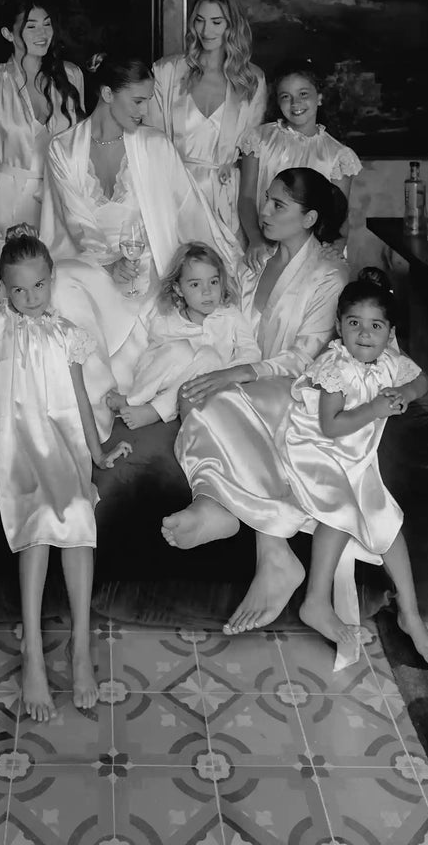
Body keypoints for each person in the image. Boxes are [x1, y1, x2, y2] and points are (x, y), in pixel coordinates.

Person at [162, 168, 349, 634]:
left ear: (309, 217)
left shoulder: (328, 273)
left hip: (293, 388)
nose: (262, 212)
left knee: (219, 397)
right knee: (197, 396)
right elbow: (216, 313)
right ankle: (221, 507)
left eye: (277, 205)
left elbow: (306, 355)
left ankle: (268, 547)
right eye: (265, 200)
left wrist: (238, 372)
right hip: (240, 381)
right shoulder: (253, 261)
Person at [0, 225, 132, 721]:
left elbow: (79, 399)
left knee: (79, 511)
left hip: (63, 443)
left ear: (51, 281)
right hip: (17, 444)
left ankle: (80, 647)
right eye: (18, 289)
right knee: (34, 521)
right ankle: (33, 651)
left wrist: (97, 454)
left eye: (38, 286)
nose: (29, 298)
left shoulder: (67, 335)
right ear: (3, 290)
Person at [40, 53, 240, 436]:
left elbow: (187, 211)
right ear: (106, 94)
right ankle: (94, 411)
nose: (146, 110)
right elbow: (77, 222)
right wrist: (109, 263)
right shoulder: (62, 148)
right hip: (93, 263)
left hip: (150, 271)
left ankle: (132, 396)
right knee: (64, 280)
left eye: (149, 99)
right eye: (137, 100)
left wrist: (217, 266)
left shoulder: (154, 145)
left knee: (175, 336)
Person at [273, 268, 428, 668]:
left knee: (387, 520)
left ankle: (410, 613)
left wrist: (403, 391)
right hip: (316, 449)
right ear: (339, 327)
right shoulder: (335, 365)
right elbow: (330, 426)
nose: (364, 334)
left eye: (375, 326)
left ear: (389, 331)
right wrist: (375, 408)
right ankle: (316, 600)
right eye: (354, 324)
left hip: (355, 456)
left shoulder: (390, 361)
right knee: (340, 509)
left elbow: (423, 383)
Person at [149, 0, 267, 239]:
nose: (206, 30)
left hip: (226, 203)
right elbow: (151, 144)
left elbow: (251, 153)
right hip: (174, 197)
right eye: (199, 20)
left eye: (217, 22)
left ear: (232, 25)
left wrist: (254, 232)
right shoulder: (167, 71)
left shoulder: (252, 80)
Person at [0, 0, 84, 239]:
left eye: (47, 24)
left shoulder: (71, 76)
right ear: (8, 33)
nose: (42, 34)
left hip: (61, 201)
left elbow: (80, 149)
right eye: (31, 26)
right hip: (7, 206)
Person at [107, 241, 261, 428]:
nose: (207, 291)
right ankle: (134, 400)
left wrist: (225, 372)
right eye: (195, 284)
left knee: (210, 357)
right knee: (182, 350)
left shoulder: (231, 315)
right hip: (157, 382)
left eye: (213, 281)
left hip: (202, 389)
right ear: (179, 289)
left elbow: (251, 354)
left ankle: (155, 411)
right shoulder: (169, 318)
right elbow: (156, 359)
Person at [238, 62, 361, 271]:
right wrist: (255, 239)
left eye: (303, 94)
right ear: (277, 101)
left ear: (319, 97)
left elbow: (339, 214)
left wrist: (337, 246)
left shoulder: (337, 155)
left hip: (312, 252)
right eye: (285, 96)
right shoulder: (259, 140)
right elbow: (247, 197)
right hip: (264, 246)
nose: (295, 103)